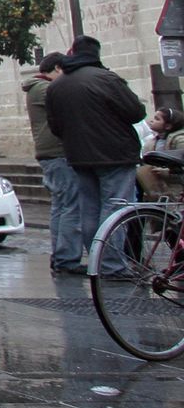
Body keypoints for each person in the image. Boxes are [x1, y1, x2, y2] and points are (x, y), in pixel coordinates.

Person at [45, 35, 145, 276]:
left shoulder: (56, 86)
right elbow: (136, 112)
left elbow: (55, 126)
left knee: (89, 209)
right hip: (115, 153)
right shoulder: (106, 79)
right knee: (116, 208)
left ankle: (97, 260)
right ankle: (111, 264)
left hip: (78, 155)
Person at [23, 53, 80, 275]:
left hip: (50, 154)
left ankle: (61, 256)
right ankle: (66, 258)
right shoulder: (45, 88)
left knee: (61, 206)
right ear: (57, 68)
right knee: (70, 206)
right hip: (57, 153)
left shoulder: (38, 87)